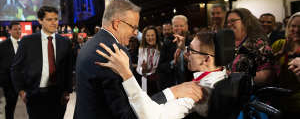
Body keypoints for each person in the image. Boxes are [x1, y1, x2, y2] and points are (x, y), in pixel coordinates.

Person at [74, 0, 202, 119]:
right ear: (117, 24)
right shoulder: (115, 51)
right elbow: (129, 113)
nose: (136, 33)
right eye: (133, 27)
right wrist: (172, 92)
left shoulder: (90, 44)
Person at [95, 30, 231, 119]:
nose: (187, 53)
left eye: (191, 50)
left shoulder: (200, 91)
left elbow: (153, 116)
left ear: (207, 59)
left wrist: (126, 74)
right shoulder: (220, 74)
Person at [11, 6, 73, 119]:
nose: (54, 23)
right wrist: (21, 91)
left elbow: (68, 68)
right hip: (35, 94)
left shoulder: (65, 42)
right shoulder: (27, 42)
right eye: (49, 19)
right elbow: (15, 68)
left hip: (58, 95)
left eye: (56, 19)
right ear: (40, 21)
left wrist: (67, 91)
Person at [226, 8, 275, 84]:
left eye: (233, 21)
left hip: (249, 92)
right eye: (228, 22)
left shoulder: (259, 45)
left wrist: (235, 77)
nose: (229, 25)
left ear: (245, 22)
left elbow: (266, 76)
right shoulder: (228, 43)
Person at [271, 12, 300, 117]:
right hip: (278, 100)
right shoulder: (279, 44)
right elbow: (266, 65)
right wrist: (280, 54)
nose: (296, 30)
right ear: (288, 26)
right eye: (293, 26)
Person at [0, 22, 21, 119]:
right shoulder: (3, 45)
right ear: (9, 31)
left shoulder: (23, 44)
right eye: (15, 29)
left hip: (23, 82)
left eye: (19, 29)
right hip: (9, 82)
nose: (18, 31)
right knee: (10, 106)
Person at [136, 26, 161, 96]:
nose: (150, 38)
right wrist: (143, 70)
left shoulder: (161, 48)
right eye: (148, 36)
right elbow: (138, 68)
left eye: (152, 35)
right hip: (145, 81)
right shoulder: (141, 49)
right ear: (144, 37)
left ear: (156, 36)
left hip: (159, 82)